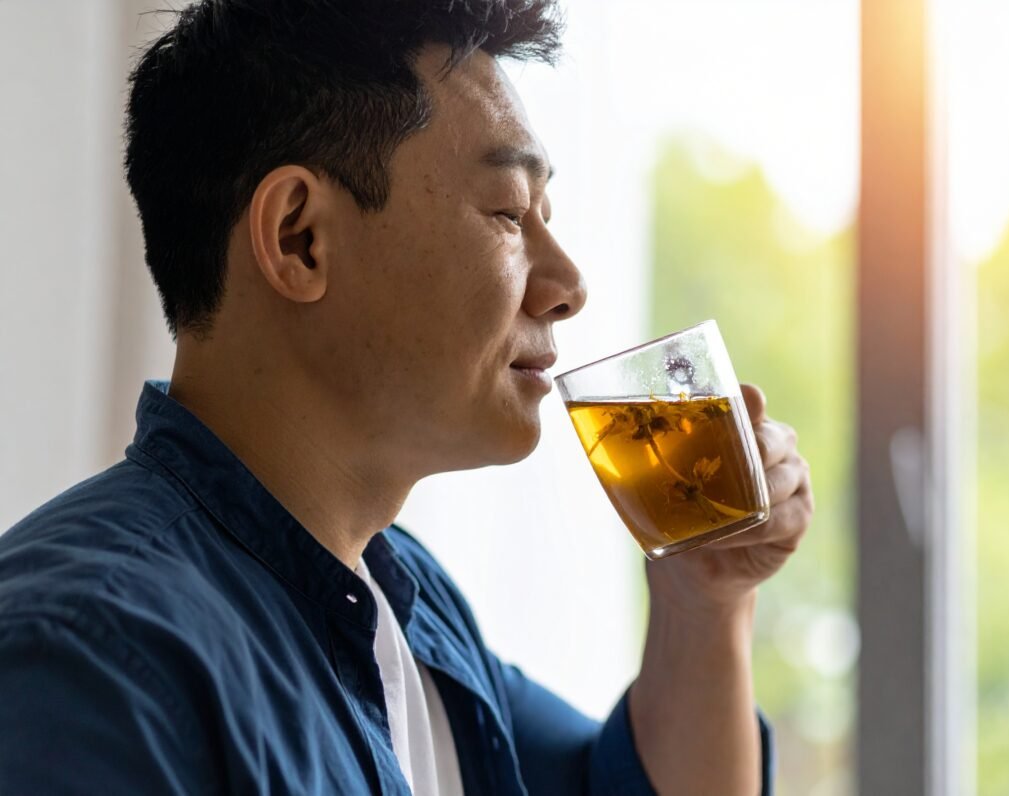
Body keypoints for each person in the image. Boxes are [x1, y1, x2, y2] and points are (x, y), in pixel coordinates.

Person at [0, 1, 813, 794]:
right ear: (299, 238)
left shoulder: (405, 605)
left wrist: (703, 599)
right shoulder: (84, 661)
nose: (568, 285)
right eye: (508, 212)